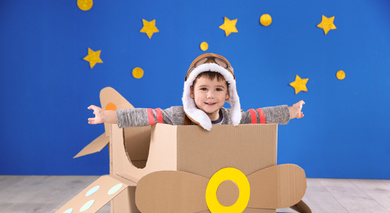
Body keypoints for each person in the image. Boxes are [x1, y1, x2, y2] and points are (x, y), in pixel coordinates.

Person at [88, 53, 304, 130]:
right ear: (191, 92)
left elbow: (262, 116)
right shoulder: (178, 116)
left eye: (218, 89)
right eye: (203, 89)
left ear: (228, 95)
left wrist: (291, 112)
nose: (210, 96)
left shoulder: (232, 119)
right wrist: (108, 116)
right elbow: (145, 116)